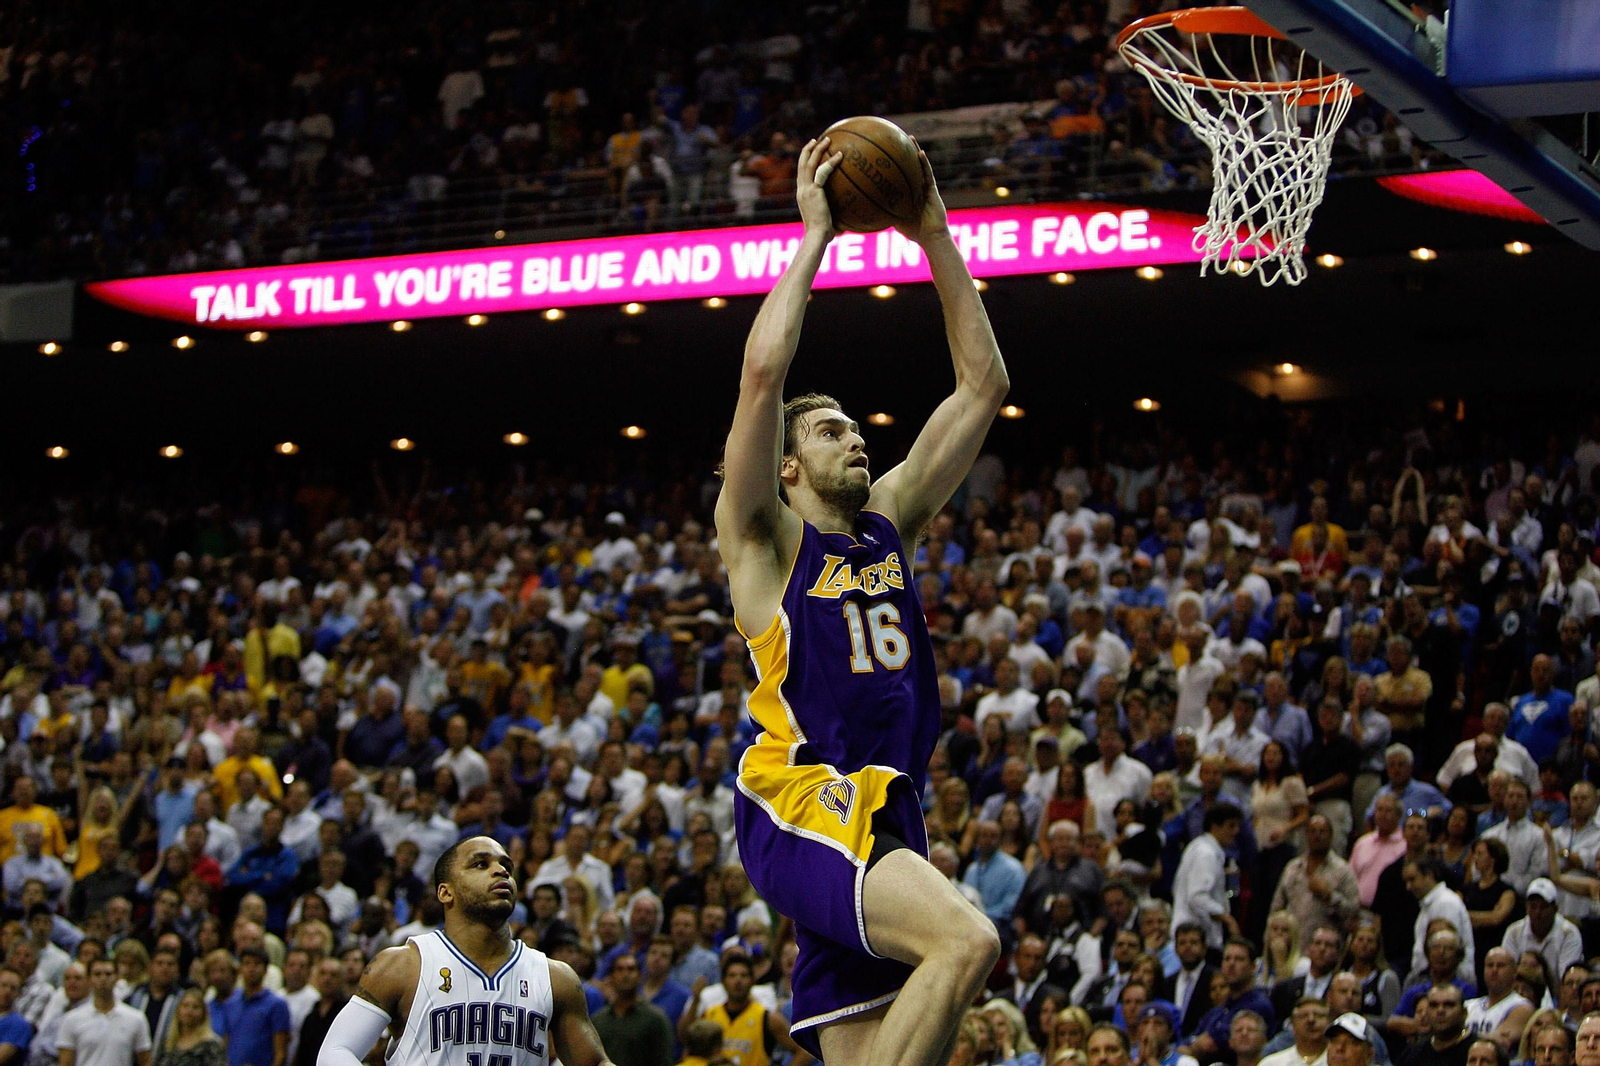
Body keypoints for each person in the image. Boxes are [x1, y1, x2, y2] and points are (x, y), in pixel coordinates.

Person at [712, 133, 1006, 1066]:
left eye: (855, 428)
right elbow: (764, 376)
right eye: (832, 431)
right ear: (788, 467)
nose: (857, 439)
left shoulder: (890, 521)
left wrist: (935, 235)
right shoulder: (764, 544)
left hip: (885, 810)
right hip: (802, 796)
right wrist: (815, 236)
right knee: (969, 941)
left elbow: (984, 386)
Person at [314, 835, 616, 1066]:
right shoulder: (402, 965)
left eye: (506, 866)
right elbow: (335, 1051)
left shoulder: (555, 977)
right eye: (481, 864)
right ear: (446, 892)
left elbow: (595, 1062)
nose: (500, 871)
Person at [688, 952, 807, 1066]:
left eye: (743, 975)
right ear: (723, 981)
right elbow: (687, 1045)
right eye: (732, 975)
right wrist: (695, 1001)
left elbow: (803, 1052)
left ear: (752, 981)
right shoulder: (710, 1015)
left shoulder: (767, 1018)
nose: (738, 981)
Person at [1270, 817, 1360, 950]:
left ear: (1331, 836)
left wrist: (1329, 896)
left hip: (1326, 947)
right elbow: (1277, 908)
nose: (1317, 836)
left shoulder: (1343, 870)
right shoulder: (1293, 868)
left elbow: (1353, 912)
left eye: (1322, 831)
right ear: (1306, 835)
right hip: (1292, 947)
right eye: (1313, 831)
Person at [56, 958, 152, 1066]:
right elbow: (65, 1062)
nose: (103, 979)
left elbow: (145, 1061)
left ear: (117, 978)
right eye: (97, 974)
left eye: (108, 974)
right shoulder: (71, 1020)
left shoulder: (136, 1019)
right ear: (88, 980)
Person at [1172, 804, 1242, 951]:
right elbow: (1197, 897)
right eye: (1231, 826)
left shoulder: (1198, 847)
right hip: (1194, 937)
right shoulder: (1206, 854)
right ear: (1215, 826)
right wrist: (1227, 919)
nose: (1236, 831)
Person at [588, 953, 673, 1066]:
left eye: (631, 969)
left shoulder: (655, 1018)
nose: (625, 974)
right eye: (620, 969)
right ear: (611, 977)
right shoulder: (598, 1020)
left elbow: (664, 1060)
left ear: (640, 976)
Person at [211, 947, 289, 1066]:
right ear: (240, 969)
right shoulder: (230, 1003)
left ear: (265, 970)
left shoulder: (277, 1005)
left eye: (257, 964)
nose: (251, 969)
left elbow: (280, 1052)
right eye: (247, 964)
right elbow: (226, 1043)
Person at [1405, 857, 1475, 984]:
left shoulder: (1445, 903)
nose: (1408, 887)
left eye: (1412, 879)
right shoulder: (1428, 906)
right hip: (1428, 979)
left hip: (1449, 981)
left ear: (1429, 875)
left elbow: (1447, 951)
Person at [1502, 879, 1583, 982]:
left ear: (1555, 908)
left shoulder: (1569, 933)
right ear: (1526, 908)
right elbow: (1508, 974)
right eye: (1533, 907)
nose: (1537, 912)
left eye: (1543, 907)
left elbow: (1567, 979)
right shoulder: (1513, 932)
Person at [1463, 948, 1533, 1054]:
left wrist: (1458, 1037)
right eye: (1490, 965)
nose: (1494, 970)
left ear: (1514, 972)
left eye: (1501, 966)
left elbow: (1496, 1043)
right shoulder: (1468, 1005)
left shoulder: (1522, 1007)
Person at [1396, 984, 1471, 1066]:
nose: (1440, 1011)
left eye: (1448, 1005)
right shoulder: (1414, 1052)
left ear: (1464, 1013)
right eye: (1434, 1005)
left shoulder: (1477, 1051)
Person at [161, 989, 226, 1066]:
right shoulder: (169, 1043)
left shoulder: (212, 1045)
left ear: (203, 1013)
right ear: (178, 1010)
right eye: (185, 1006)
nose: (189, 1011)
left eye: (195, 1007)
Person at [1259, 998, 1330, 1066]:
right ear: (1292, 1026)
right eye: (1303, 1016)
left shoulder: (1339, 1061)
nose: (1311, 1020)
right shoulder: (1272, 1064)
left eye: (1319, 1015)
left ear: (1329, 1022)